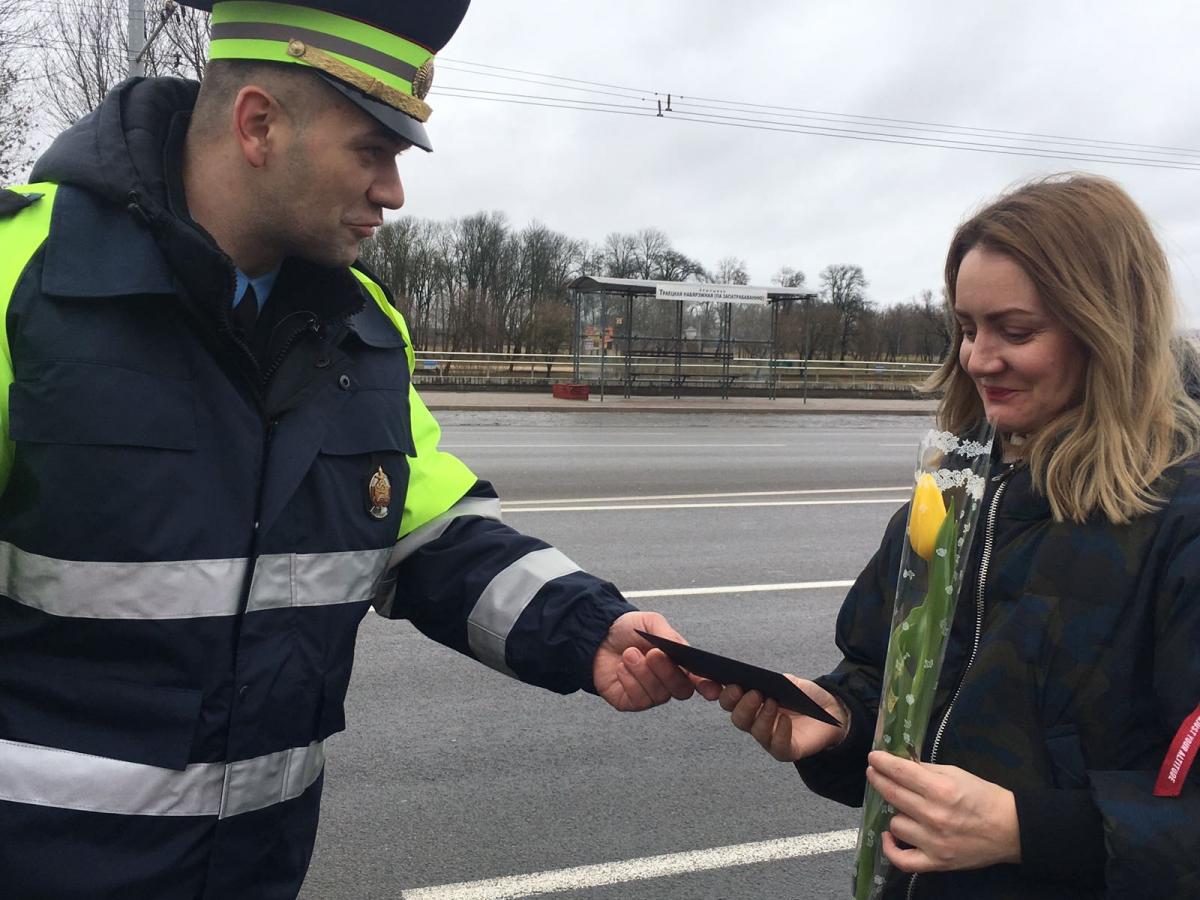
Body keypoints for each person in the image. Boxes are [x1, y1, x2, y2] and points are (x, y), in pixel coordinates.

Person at [0, 2, 712, 897]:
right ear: (259, 125)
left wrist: (588, 629)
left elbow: (429, 537)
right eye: (372, 150)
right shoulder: (24, 281)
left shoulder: (362, 331)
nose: (393, 192)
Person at [717, 175, 1200, 898]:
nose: (978, 359)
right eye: (968, 328)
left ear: (1107, 328)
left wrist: (1026, 830)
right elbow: (885, 679)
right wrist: (839, 721)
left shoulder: (1179, 518)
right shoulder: (954, 489)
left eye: (1016, 331)